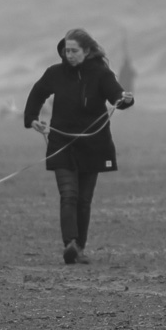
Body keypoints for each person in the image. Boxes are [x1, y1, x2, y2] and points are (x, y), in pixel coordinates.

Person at [24, 28, 136, 265]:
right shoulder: (55, 73)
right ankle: (70, 244)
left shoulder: (101, 74)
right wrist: (32, 118)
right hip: (61, 144)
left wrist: (126, 99)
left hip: (94, 146)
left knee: (84, 200)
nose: (69, 55)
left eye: (74, 51)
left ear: (87, 51)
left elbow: (116, 95)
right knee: (68, 195)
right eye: (66, 50)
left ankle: (80, 248)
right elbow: (37, 93)